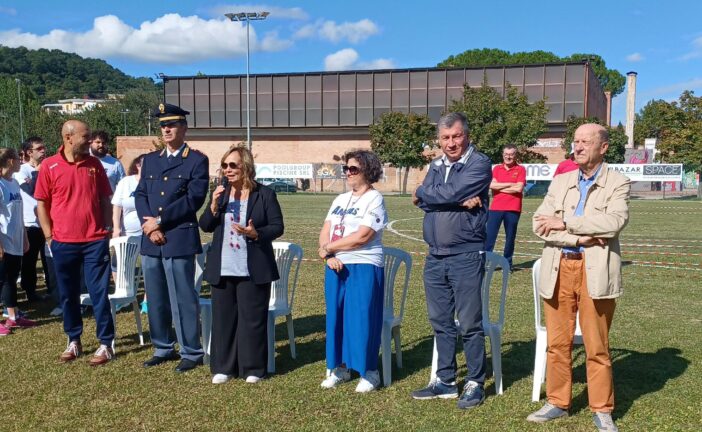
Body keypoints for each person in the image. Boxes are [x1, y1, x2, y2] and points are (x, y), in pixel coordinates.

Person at [529, 123, 630, 432]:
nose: (579, 146)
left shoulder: (618, 182)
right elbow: (538, 224)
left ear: (603, 147)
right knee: (557, 344)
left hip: (596, 273)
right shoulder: (561, 181)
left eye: (586, 141)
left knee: (596, 345)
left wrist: (565, 223)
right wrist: (580, 237)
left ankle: (602, 408)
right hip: (559, 268)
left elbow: (613, 222)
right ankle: (558, 402)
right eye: (575, 140)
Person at [410, 112, 492, 409]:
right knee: (440, 321)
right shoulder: (436, 164)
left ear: (466, 135)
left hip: (466, 254)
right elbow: (420, 199)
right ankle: (444, 381)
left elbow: (443, 192)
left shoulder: (479, 163)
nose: (451, 143)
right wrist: (450, 198)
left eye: (456, 136)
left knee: (469, 322)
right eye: (445, 138)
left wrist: (433, 194)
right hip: (435, 255)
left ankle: (474, 381)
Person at [199, 145, 284, 384]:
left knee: (251, 320)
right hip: (222, 267)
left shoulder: (264, 194)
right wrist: (214, 206)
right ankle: (223, 368)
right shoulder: (220, 193)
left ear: (246, 166)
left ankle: (253, 369)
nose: (228, 170)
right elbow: (205, 225)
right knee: (223, 320)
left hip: (253, 267)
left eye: (233, 165)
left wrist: (256, 234)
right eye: (224, 165)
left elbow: (277, 226)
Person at [135, 103, 209, 373]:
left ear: (184, 128)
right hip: (150, 237)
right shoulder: (151, 160)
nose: (166, 129)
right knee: (154, 296)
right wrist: (150, 226)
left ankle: (191, 350)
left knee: (183, 296)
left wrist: (161, 221)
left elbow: (194, 199)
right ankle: (162, 347)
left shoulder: (197, 160)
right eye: (163, 125)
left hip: (178, 236)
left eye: (172, 124)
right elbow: (140, 194)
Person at [35, 120, 115, 365]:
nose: (90, 141)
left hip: (94, 241)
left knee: (99, 293)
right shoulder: (49, 166)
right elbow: (42, 204)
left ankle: (105, 343)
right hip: (63, 242)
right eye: (85, 137)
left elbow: (104, 199)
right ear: (68, 137)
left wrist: (107, 229)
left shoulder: (95, 165)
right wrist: (49, 236)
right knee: (68, 294)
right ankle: (73, 339)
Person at [318, 149, 388, 393]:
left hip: (364, 263)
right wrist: (327, 254)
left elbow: (363, 236)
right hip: (336, 265)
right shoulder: (339, 200)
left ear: (367, 171)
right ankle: (341, 368)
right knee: (336, 318)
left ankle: (370, 371)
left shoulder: (375, 199)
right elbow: (326, 228)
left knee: (362, 319)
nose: (347, 173)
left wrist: (329, 248)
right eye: (345, 169)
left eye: (353, 169)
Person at [13, 137, 57, 305]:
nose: (43, 150)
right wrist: (39, 172)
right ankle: (30, 292)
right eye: (39, 148)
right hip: (29, 223)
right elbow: (32, 190)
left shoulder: (48, 168)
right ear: (29, 152)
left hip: (47, 221)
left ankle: (53, 289)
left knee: (49, 259)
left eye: (44, 147)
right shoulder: (21, 170)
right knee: (30, 261)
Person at [0, 148, 34, 336]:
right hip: (3, 240)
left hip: (16, 239)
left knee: (11, 280)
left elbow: (18, 213)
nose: (22, 161)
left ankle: (13, 317)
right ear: (11, 161)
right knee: (1, 280)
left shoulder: (13, 183)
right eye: (19, 158)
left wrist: (25, 237)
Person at [111, 154, 147, 312]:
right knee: (117, 264)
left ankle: (147, 300)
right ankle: (124, 295)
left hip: (148, 233)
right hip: (127, 233)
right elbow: (117, 206)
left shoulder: (153, 182)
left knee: (149, 267)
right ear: (137, 165)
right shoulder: (126, 182)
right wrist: (116, 228)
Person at [485, 144, 526, 270]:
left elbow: (519, 188)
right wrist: (510, 185)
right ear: (503, 155)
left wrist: (501, 187)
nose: (508, 156)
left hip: (513, 208)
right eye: (506, 154)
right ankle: (485, 262)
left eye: (511, 154)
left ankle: (508, 264)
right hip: (496, 208)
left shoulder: (521, 169)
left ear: (515, 155)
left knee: (510, 238)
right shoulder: (496, 168)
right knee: (490, 236)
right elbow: (492, 185)